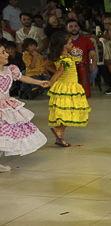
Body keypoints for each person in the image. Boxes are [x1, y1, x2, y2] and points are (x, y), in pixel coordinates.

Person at [0, 43, 48, 172]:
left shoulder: (10, 70)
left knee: (4, 136)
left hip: (6, 107)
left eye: (5, 52)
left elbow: (24, 78)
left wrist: (39, 82)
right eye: (3, 52)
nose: (7, 54)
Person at [45, 31, 91, 147]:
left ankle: (60, 136)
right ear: (63, 45)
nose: (72, 44)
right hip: (68, 87)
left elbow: (46, 65)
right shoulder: (65, 59)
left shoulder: (59, 57)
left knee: (66, 111)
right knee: (69, 111)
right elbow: (60, 71)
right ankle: (58, 130)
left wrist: (57, 74)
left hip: (65, 85)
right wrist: (51, 81)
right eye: (70, 43)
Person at [65, 18, 98, 89]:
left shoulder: (86, 40)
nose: (74, 28)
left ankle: (83, 87)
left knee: (95, 69)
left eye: (75, 26)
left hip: (84, 64)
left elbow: (93, 54)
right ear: (67, 29)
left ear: (79, 27)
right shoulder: (64, 41)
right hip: (70, 65)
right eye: (71, 26)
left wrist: (94, 63)